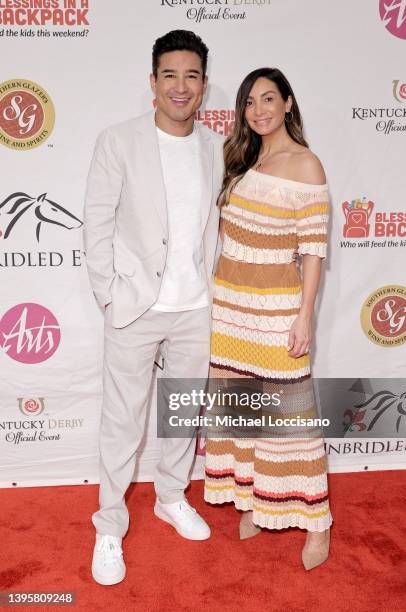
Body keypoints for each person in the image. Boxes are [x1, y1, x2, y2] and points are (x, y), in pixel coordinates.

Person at [84, 30, 223, 586]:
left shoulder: (216, 147)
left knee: (182, 415)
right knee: (122, 422)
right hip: (136, 307)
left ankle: (170, 497)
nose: (181, 86)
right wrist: (111, 294)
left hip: (195, 307)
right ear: (153, 83)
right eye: (170, 75)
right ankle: (109, 526)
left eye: (192, 75)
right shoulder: (119, 141)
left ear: (205, 85)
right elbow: (96, 222)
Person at [204, 67, 333, 570]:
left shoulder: (307, 165)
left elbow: (314, 251)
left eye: (268, 99)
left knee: (292, 421)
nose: (258, 110)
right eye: (249, 102)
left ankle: (317, 522)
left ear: (288, 103)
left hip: (277, 311)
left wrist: (306, 317)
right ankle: (258, 502)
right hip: (230, 310)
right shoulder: (239, 160)